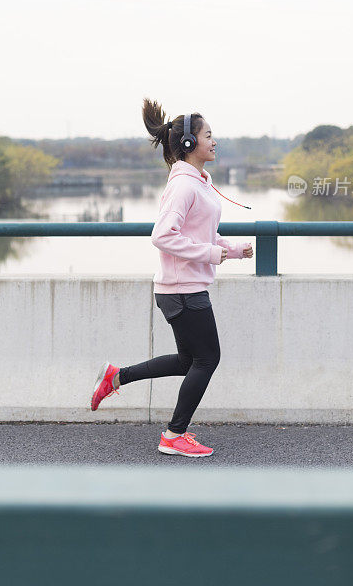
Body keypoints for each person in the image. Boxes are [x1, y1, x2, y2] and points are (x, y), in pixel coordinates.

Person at [90, 99, 253, 458]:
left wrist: (234, 250)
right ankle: (173, 435)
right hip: (182, 290)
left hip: (183, 287)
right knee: (207, 359)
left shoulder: (197, 182)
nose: (214, 141)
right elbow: (163, 236)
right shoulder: (183, 185)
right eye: (209, 135)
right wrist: (211, 254)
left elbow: (201, 233)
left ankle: (116, 376)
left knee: (187, 361)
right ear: (190, 144)